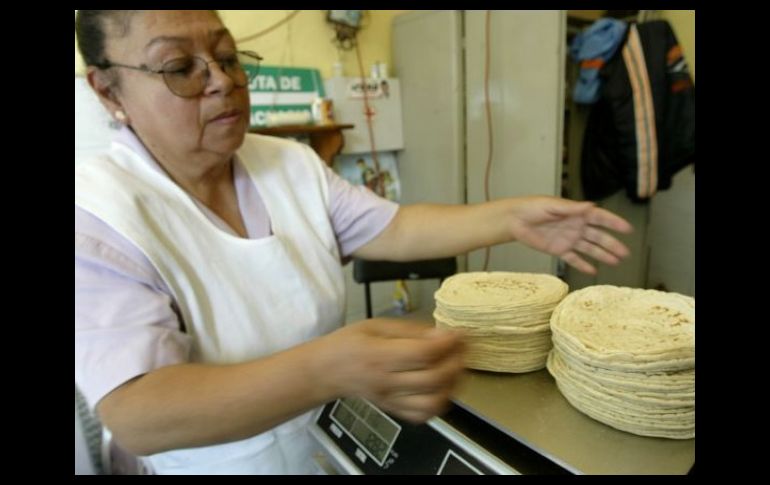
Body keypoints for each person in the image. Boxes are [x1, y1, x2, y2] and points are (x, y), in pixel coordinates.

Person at [75, 10, 633, 475]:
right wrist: (330, 367)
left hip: (326, 447)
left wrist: (513, 216)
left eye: (226, 58)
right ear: (108, 90)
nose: (221, 81)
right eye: (179, 68)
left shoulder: (287, 162)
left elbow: (395, 228)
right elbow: (138, 410)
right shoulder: (99, 212)